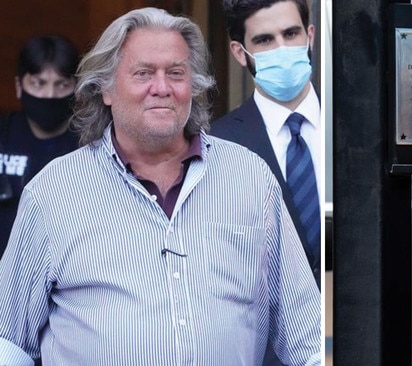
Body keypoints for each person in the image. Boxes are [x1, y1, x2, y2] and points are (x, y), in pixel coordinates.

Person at [0, 7, 320, 365]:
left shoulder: (251, 178)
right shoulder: (52, 193)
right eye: (143, 73)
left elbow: (305, 340)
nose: (162, 88)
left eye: (176, 73)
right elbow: (9, 344)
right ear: (105, 89)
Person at [210, 0, 321, 289]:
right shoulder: (216, 144)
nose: (282, 48)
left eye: (291, 34)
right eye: (264, 40)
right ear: (240, 52)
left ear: (310, 35)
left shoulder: (350, 124)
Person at [0, 35, 79, 255]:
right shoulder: (3, 135)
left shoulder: (91, 146)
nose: (50, 95)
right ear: (19, 85)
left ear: (76, 88)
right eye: (39, 83)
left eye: (62, 85)